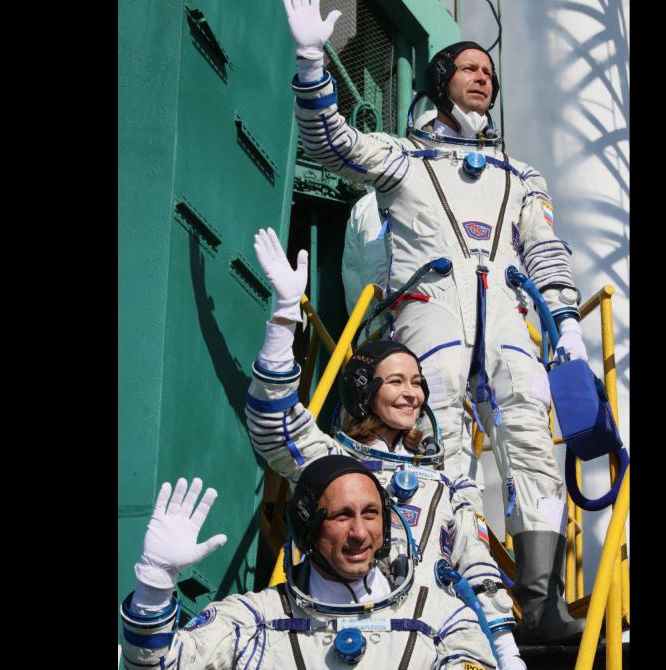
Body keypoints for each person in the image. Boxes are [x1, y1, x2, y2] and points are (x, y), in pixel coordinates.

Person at [281, 0, 588, 643]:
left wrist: (569, 327)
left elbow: (546, 252)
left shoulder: (520, 175)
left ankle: (540, 598)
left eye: (489, 72)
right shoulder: (404, 159)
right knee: (439, 436)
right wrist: (313, 63)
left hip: (506, 310)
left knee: (530, 430)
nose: (482, 77)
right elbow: (328, 142)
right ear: (438, 81)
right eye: (467, 68)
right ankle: (454, 585)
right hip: (430, 310)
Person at [247, 227, 525, 670]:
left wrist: (506, 652)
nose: (412, 394)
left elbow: (475, 566)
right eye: (396, 381)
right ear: (363, 392)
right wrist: (283, 318)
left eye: (417, 383)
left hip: (426, 647)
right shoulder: (334, 466)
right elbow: (272, 422)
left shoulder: (450, 479)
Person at [119, 457, 498, 670]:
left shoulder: (442, 620)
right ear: (307, 528)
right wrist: (155, 585)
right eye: (341, 517)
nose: (360, 533)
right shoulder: (254, 621)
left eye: (371, 513)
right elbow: (158, 665)